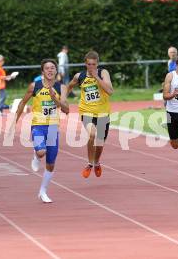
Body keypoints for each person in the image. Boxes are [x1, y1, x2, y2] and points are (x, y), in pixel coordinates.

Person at [14, 59, 69, 203]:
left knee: (51, 164)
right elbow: (22, 103)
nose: (50, 70)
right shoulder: (35, 86)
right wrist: (14, 121)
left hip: (52, 128)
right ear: (42, 72)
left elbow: (66, 109)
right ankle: (36, 155)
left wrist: (54, 99)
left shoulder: (61, 88)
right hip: (38, 125)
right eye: (47, 68)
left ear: (56, 71)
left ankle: (43, 191)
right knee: (41, 152)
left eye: (52, 68)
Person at [67, 51, 114, 179]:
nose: (91, 67)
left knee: (100, 142)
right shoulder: (80, 76)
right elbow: (69, 86)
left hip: (103, 112)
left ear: (97, 64)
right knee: (92, 134)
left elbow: (110, 91)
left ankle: (96, 162)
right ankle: (89, 163)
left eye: (93, 64)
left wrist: (96, 78)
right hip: (86, 111)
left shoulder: (103, 73)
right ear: (85, 64)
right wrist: (62, 99)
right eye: (88, 64)